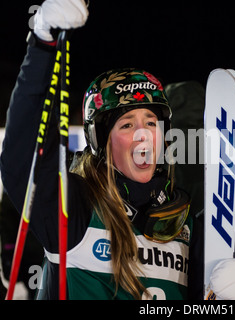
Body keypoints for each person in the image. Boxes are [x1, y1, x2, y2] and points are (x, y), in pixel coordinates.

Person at [0, 0, 202, 300]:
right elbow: (24, 155)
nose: (143, 135)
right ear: (100, 141)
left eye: (151, 122)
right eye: (127, 125)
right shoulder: (76, 206)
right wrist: (44, 45)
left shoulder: (182, 220)